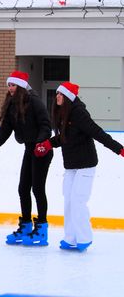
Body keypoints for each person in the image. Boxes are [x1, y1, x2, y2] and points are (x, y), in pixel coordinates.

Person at [34, 82, 124, 252]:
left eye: (61, 94)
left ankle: (84, 237)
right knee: (68, 200)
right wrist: (47, 144)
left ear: (68, 97)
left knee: (78, 200)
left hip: (85, 164)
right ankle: (71, 237)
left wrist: (119, 149)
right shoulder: (62, 113)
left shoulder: (78, 113)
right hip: (71, 165)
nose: (57, 97)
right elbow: (64, 138)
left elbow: (97, 132)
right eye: (57, 94)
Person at [0, 71, 53, 246]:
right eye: (9, 85)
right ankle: (25, 225)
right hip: (29, 149)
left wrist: (41, 144)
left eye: (13, 85)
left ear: (21, 87)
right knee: (23, 188)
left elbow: (46, 126)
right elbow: (5, 130)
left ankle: (41, 229)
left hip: (41, 150)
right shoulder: (11, 105)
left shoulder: (35, 102)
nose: (10, 88)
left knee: (37, 189)